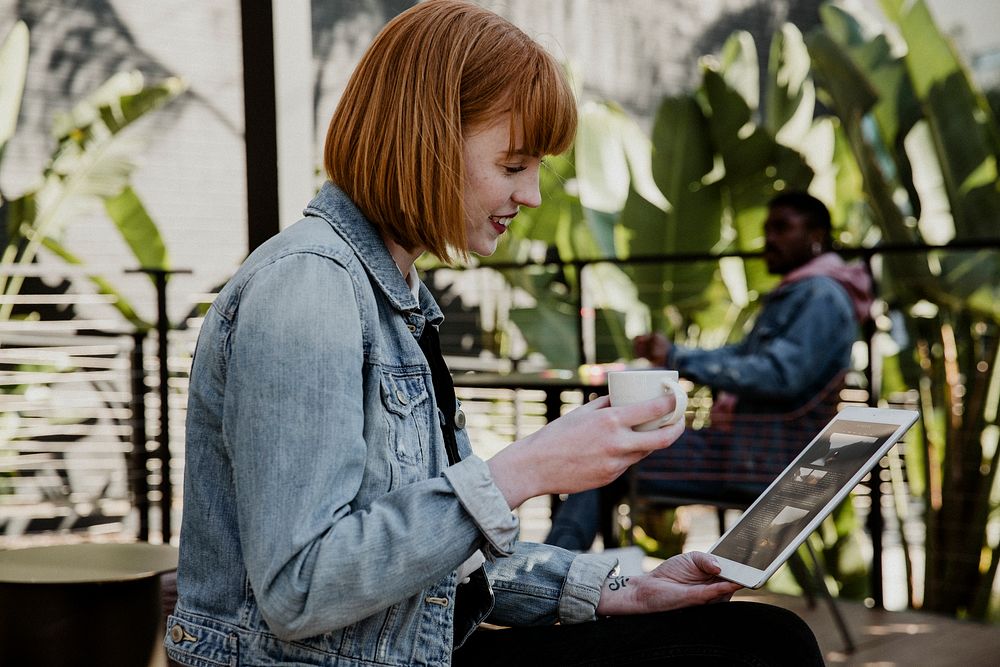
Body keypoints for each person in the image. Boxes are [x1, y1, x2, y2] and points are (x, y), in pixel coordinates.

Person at [164, 2, 824, 665]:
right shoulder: (308, 287)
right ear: (425, 140)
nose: (533, 194)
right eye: (513, 165)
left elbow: (435, 569)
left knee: (765, 638)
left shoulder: (396, 298)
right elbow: (299, 588)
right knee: (763, 651)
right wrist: (522, 470)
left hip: (401, 648)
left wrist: (623, 588)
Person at [547, 191, 874, 552]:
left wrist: (678, 357)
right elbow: (745, 356)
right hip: (752, 449)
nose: (769, 239)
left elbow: (777, 375)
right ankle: (565, 575)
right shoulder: (806, 290)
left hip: (760, 459)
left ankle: (552, 573)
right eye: (767, 229)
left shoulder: (819, 296)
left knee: (605, 454)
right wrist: (675, 355)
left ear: (815, 236)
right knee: (609, 450)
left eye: (782, 228)